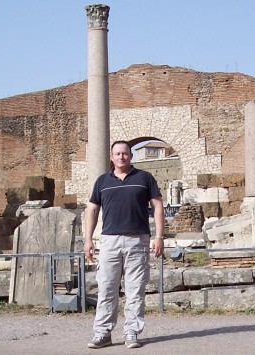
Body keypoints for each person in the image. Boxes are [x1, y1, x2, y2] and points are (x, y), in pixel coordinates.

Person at [84, 140, 165, 349]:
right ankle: (102, 333)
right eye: (117, 154)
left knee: (135, 289)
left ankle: (131, 332)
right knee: (106, 288)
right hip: (109, 240)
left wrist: (159, 236)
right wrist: (88, 239)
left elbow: (157, 207)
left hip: (137, 240)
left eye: (125, 154)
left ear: (131, 156)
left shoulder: (144, 178)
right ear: (111, 157)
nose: (121, 157)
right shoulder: (102, 181)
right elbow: (92, 210)